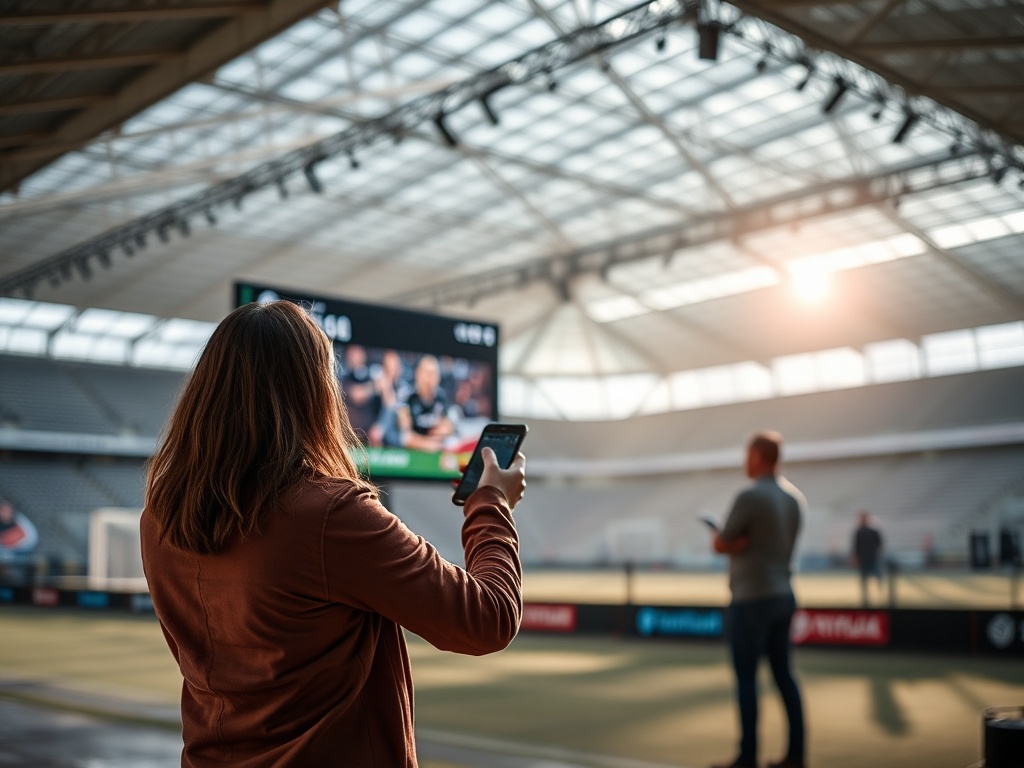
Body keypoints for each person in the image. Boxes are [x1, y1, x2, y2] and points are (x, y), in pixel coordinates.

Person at [140, 300, 526, 768]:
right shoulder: (329, 514)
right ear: (314, 393)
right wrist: (491, 504)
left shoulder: (159, 516)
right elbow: (487, 618)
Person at [709, 431, 806, 768]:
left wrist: (726, 543)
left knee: (747, 679)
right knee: (785, 676)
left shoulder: (750, 497)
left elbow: (723, 542)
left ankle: (747, 757)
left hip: (751, 599)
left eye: (747, 455)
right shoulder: (794, 498)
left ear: (758, 457)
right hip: (784, 594)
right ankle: (796, 755)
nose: (743, 462)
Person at [396, 354, 460, 452]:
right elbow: (405, 438)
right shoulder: (407, 398)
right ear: (418, 374)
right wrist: (430, 444)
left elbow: (448, 427)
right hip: (413, 454)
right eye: (428, 373)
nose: (431, 378)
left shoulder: (441, 397)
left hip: (435, 448)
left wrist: (445, 430)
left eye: (434, 373)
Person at [851, 510, 884, 607]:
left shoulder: (871, 531)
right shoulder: (859, 531)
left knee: (876, 576)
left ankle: (880, 594)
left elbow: (879, 544)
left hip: (871, 558)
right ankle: (866, 598)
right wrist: (855, 557)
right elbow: (856, 546)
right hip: (865, 558)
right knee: (866, 579)